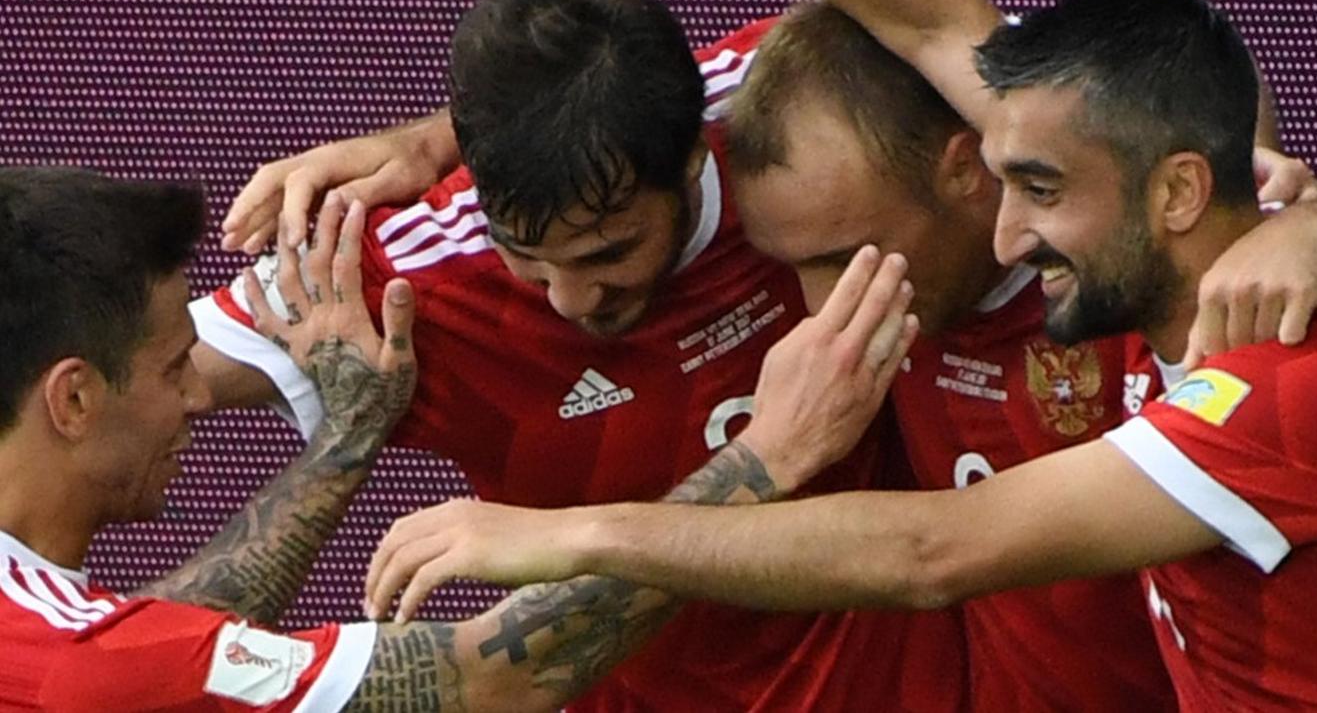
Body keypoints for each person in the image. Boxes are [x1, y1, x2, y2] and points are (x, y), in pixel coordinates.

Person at [362, 0, 1317, 711]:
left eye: (1041, 190)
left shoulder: (1276, 375)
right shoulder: (942, 296)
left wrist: (574, 531)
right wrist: (434, 137)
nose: (1012, 233)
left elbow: (931, 548)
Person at [193, 0, 965, 712]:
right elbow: (120, 376)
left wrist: (431, 136)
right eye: (523, 255)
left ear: (694, 162)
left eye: (607, 252)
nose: (571, 298)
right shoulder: (402, 276)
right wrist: (435, 142)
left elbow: (1011, 64)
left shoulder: (778, 120)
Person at [0, 165, 916, 710]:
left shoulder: (55, 640)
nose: (199, 396)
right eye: (171, 369)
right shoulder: (80, 668)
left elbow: (162, 648)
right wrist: (763, 462)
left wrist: (347, 437)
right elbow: (493, 681)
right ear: (72, 399)